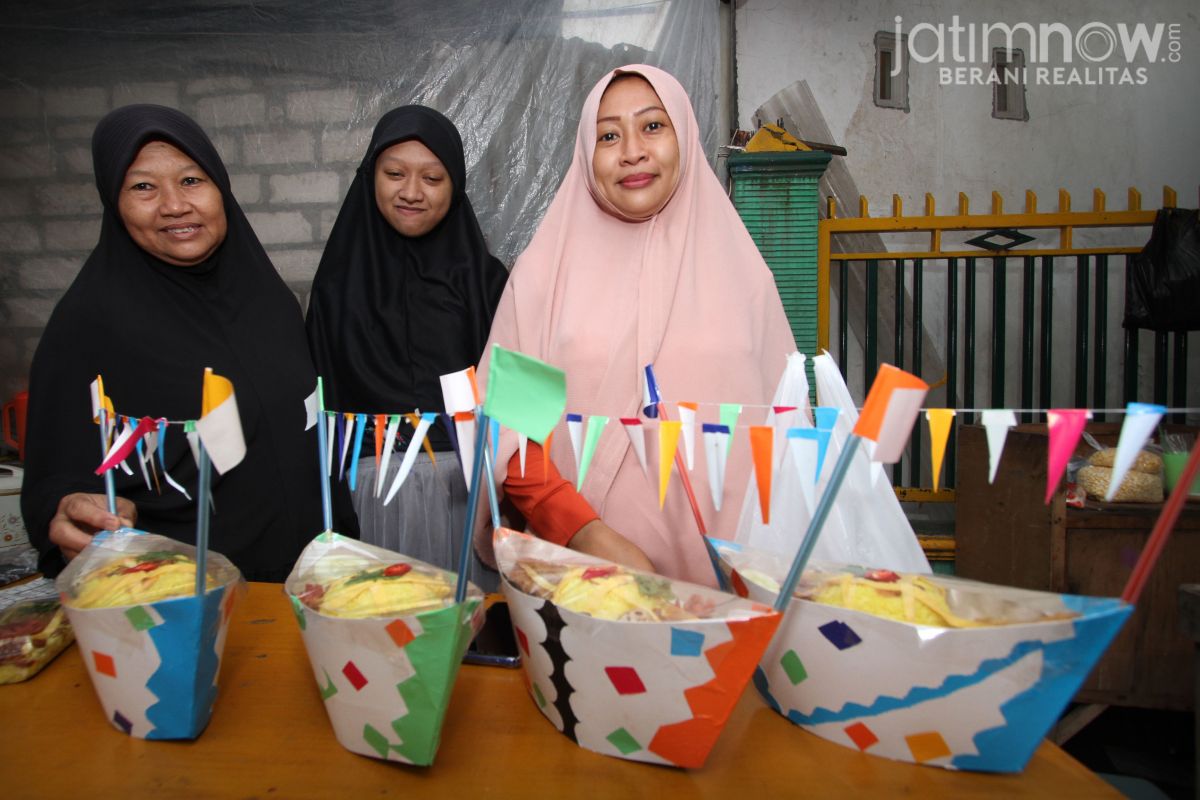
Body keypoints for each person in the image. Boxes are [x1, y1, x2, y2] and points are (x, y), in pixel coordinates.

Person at [475, 65, 797, 587]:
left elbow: (793, 438)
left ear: (685, 137)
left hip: (734, 586)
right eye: (608, 134)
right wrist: (585, 534)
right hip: (585, 582)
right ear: (586, 152)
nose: (632, 151)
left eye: (652, 126)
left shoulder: (745, 276)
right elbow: (509, 435)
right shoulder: (545, 273)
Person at [22, 104, 356, 583]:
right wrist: (69, 508)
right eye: (142, 187)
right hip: (188, 596)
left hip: (309, 577)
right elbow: (57, 474)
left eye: (192, 180)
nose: (174, 205)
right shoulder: (91, 319)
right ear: (112, 200)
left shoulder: (268, 297)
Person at [306, 106, 508, 589]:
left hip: (470, 498)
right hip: (369, 503)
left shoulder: (488, 282)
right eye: (394, 174)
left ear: (454, 185)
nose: (412, 192)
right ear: (370, 176)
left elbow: (507, 404)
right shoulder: (336, 287)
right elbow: (320, 405)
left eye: (432, 177)